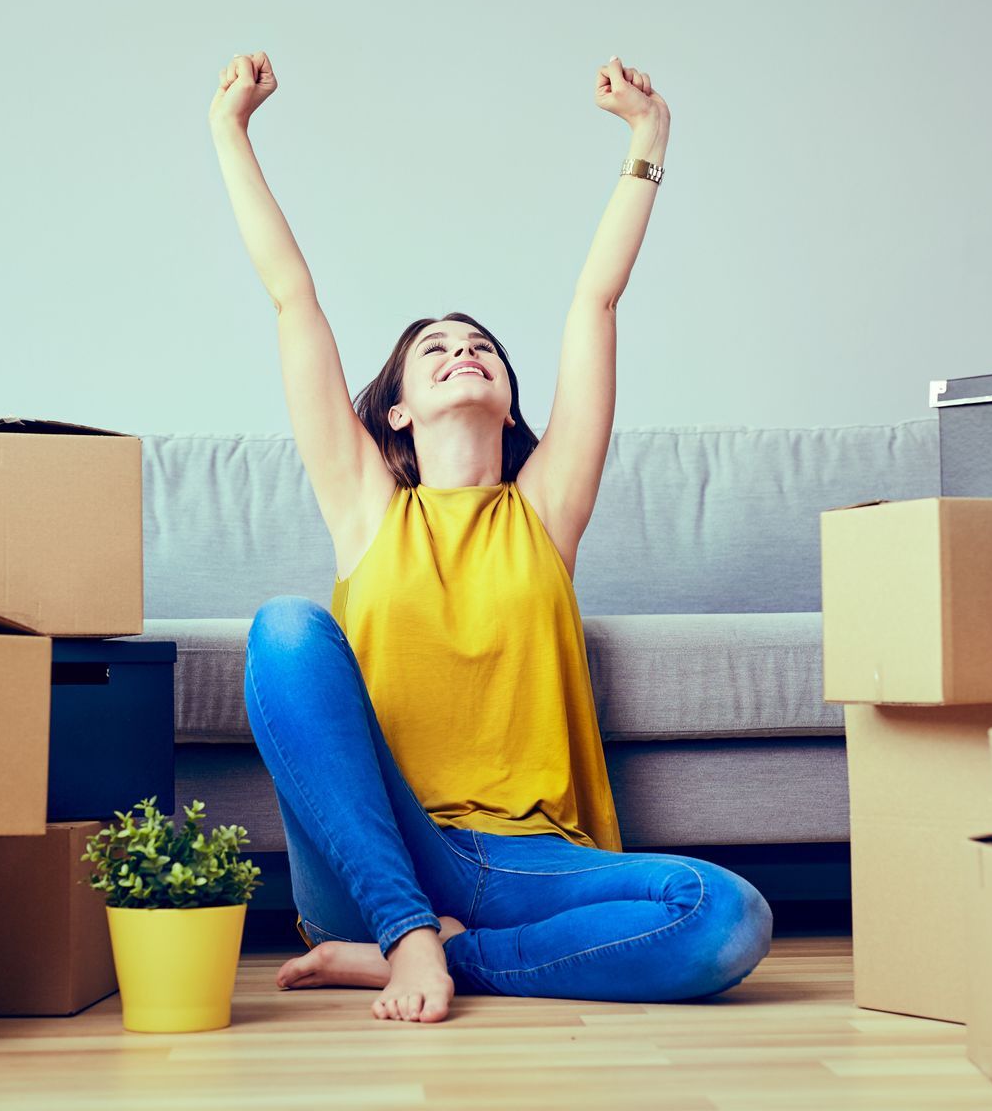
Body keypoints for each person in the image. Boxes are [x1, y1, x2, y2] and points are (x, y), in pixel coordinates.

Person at [208, 51, 773, 1025]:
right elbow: (292, 296)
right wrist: (231, 132)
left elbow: (594, 302)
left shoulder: (546, 507)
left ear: (511, 400)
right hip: (385, 845)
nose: (464, 351)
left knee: (724, 913)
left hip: (530, 861)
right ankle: (406, 929)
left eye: (481, 347)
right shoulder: (366, 504)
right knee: (287, 629)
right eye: (436, 349)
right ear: (393, 413)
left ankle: (447, 957)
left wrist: (649, 140)